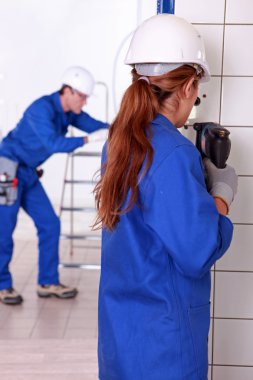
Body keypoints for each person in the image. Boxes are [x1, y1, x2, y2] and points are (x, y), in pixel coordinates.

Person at [93, 14, 238, 380]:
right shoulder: (173, 153)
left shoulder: (120, 139)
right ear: (189, 86)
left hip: (121, 335)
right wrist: (220, 193)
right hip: (163, 345)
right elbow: (198, 251)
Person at [0, 66, 108, 305]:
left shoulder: (70, 112)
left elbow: (96, 125)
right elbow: (53, 143)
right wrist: (89, 139)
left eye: (86, 96)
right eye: (81, 96)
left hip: (27, 172)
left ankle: (47, 282)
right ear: (67, 91)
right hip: (6, 169)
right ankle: (2, 285)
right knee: (4, 228)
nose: (85, 101)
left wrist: (122, 129)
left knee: (49, 223)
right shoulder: (41, 108)